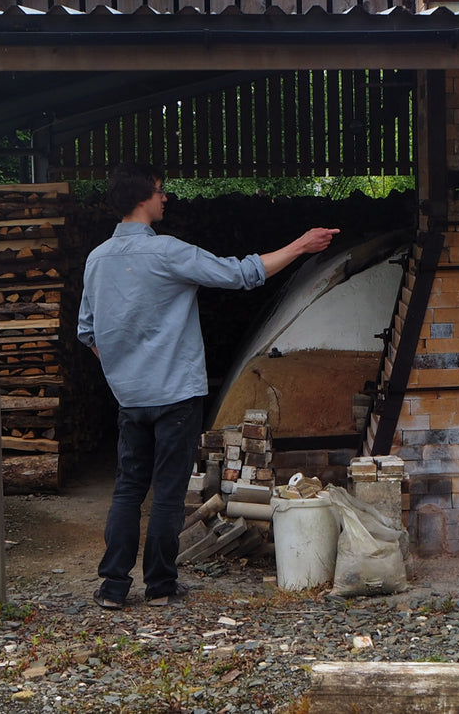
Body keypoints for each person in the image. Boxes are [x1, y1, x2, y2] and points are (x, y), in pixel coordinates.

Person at [77, 163, 338, 609]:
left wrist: (125, 370)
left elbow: (88, 333)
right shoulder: (168, 252)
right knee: (168, 493)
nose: (165, 199)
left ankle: (114, 587)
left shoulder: (96, 260)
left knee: (127, 489)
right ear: (143, 199)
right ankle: (159, 585)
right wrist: (300, 246)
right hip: (176, 395)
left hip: (130, 397)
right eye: (161, 192)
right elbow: (240, 274)